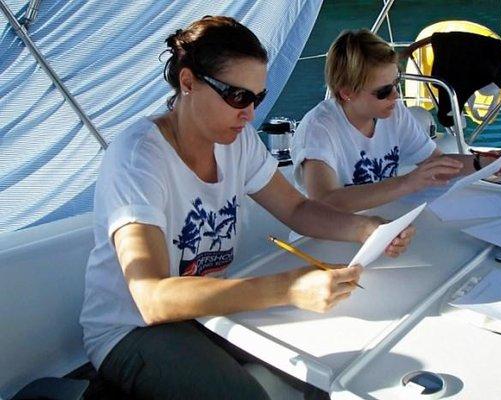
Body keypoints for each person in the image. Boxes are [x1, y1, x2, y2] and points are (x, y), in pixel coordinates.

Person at [79, 16, 415, 400]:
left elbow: (298, 210)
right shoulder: (139, 158)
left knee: (330, 376)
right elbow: (152, 298)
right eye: (237, 96)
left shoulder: (236, 141)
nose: (250, 113)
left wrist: (366, 229)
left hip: (205, 310)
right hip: (131, 330)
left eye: (257, 98)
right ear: (187, 82)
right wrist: (287, 288)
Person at [291, 29, 501, 213]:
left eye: (396, 83)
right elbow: (323, 201)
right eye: (383, 91)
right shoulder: (320, 128)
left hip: (384, 223)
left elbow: (437, 165)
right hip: (328, 236)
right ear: (346, 93)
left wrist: (484, 162)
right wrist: (407, 183)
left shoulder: (393, 112)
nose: (396, 96)